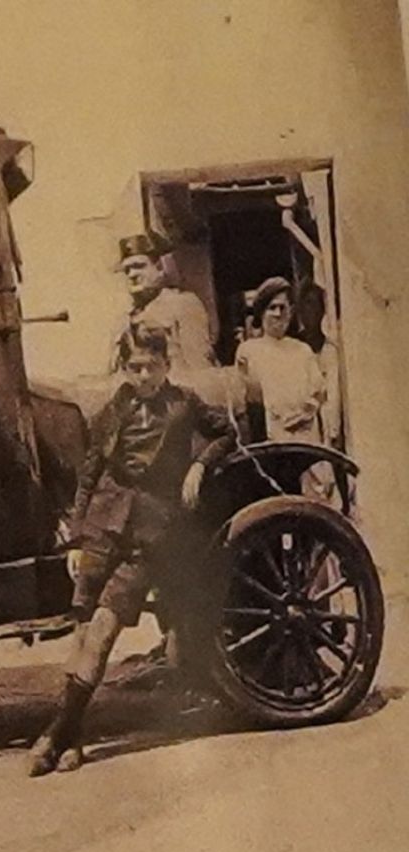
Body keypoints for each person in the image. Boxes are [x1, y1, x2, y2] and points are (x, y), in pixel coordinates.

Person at [29, 328, 237, 776]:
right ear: (125, 368)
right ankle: (73, 740)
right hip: (103, 527)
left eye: (151, 366)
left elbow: (227, 433)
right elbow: (90, 475)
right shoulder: (113, 410)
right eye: (134, 367)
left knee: (103, 631)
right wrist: (78, 537)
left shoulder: (184, 404)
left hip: (150, 535)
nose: (143, 376)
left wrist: (199, 465)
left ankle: (53, 733)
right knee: (83, 633)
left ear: (165, 365)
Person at [236, 276, 333, 499]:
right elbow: (250, 397)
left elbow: (319, 390)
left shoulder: (302, 350)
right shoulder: (249, 350)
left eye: (284, 308)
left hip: (306, 436)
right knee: (279, 499)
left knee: (313, 501)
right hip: (273, 439)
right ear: (261, 312)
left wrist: (305, 412)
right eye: (272, 308)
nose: (279, 314)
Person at [108, 234, 217, 375]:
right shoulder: (123, 320)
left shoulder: (183, 305)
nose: (132, 274)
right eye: (127, 270)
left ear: (159, 268)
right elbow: (113, 373)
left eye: (139, 266)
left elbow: (200, 369)